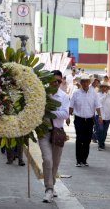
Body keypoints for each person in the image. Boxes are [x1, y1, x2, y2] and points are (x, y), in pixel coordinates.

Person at [40, 70, 70, 203]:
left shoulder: (63, 96)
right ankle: (49, 189)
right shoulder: (42, 94)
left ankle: (51, 184)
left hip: (57, 133)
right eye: (54, 80)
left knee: (55, 163)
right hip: (43, 132)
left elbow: (65, 114)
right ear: (49, 80)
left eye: (59, 81)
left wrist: (49, 111)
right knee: (47, 160)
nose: (56, 83)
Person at [69, 74, 102, 168]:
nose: (85, 83)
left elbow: (98, 105)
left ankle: (84, 159)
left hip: (89, 120)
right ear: (81, 83)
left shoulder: (94, 93)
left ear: (89, 82)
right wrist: (67, 116)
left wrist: (100, 116)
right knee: (79, 139)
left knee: (87, 140)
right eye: (83, 81)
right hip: (79, 119)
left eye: (87, 81)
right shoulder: (76, 93)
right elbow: (71, 106)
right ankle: (78, 160)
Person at [96, 81, 110, 151]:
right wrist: (104, 96)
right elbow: (98, 103)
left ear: (107, 88)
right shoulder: (97, 95)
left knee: (105, 131)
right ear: (101, 88)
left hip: (107, 116)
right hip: (99, 115)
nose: (104, 88)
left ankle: (102, 142)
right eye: (103, 87)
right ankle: (100, 144)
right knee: (100, 129)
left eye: (106, 87)